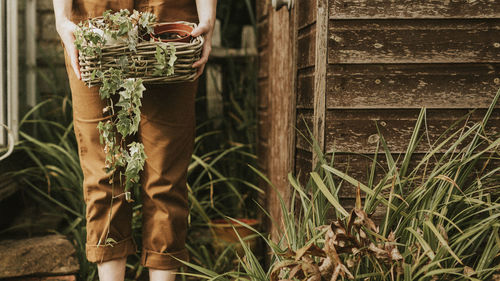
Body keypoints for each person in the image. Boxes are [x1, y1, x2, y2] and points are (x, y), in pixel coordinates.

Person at [52, 0, 216, 280]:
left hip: (169, 20)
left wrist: (208, 19)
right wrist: (62, 20)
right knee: (105, 171)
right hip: (93, 23)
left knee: (166, 174)